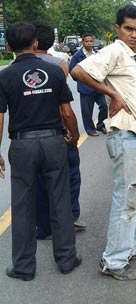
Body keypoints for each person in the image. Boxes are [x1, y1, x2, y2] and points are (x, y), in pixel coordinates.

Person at [71, 4, 136, 281]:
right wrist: (112, 96)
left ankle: (131, 246)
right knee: (126, 197)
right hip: (124, 134)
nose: (134, 34)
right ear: (118, 29)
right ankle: (114, 261)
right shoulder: (114, 50)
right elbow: (78, 71)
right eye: (128, 28)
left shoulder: (131, 57)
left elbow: (130, 93)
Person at [0, 22, 82, 281]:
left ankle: (24, 268)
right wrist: (75, 136)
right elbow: (67, 112)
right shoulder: (55, 72)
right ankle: (67, 259)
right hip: (53, 142)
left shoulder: (4, 77)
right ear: (36, 43)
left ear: (9, 46)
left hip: (23, 145)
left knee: (23, 206)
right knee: (60, 200)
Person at [32, 20, 86, 237]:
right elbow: (64, 106)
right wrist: (73, 135)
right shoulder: (59, 65)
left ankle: (42, 226)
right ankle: (70, 217)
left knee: (39, 181)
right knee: (70, 174)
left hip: (28, 136)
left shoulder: (15, 68)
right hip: (58, 131)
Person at [69, 33, 108, 136]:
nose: (89, 43)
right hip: (86, 88)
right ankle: (90, 129)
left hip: (99, 87)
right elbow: (72, 71)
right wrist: (81, 81)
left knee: (104, 105)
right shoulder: (78, 56)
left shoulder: (97, 54)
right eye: (87, 41)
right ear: (83, 42)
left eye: (91, 41)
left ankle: (101, 125)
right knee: (87, 111)